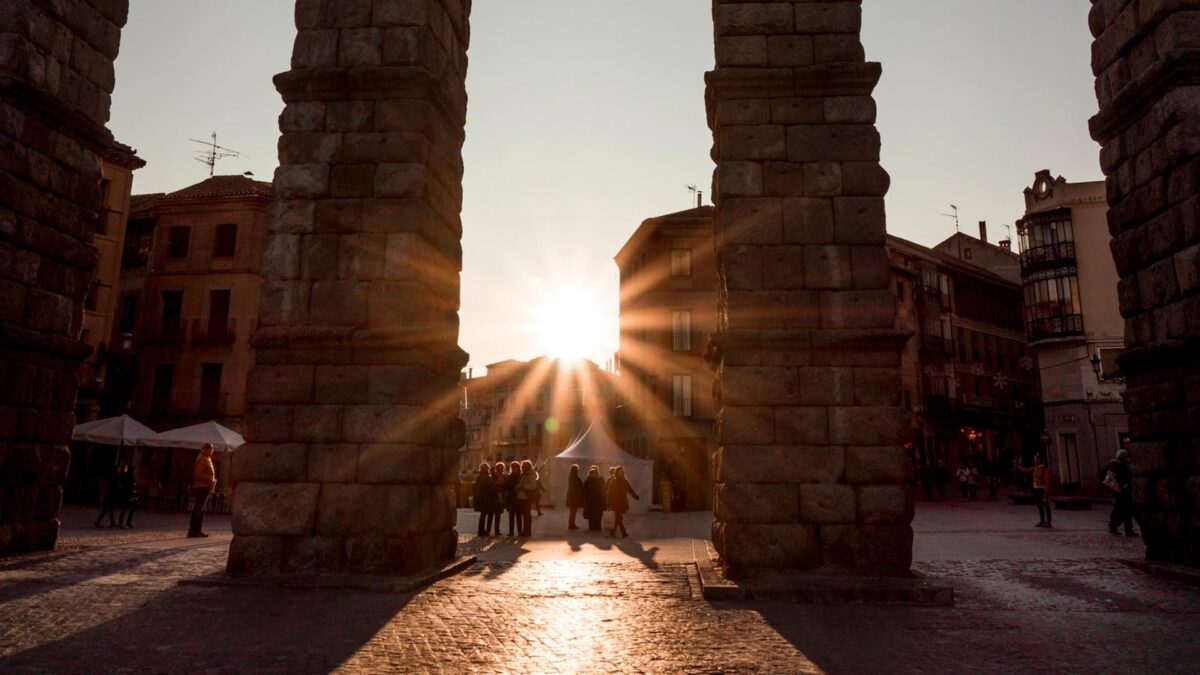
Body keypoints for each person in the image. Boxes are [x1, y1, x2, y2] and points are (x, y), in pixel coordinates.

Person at [188, 443, 217, 538]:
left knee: (201, 509)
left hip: (206, 487)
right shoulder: (202, 459)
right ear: (206, 449)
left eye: (212, 449)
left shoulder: (206, 459)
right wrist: (210, 479)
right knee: (198, 509)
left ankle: (198, 530)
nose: (212, 451)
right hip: (202, 487)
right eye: (211, 449)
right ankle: (192, 531)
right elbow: (198, 473)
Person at [1016, 453, 1052, 528]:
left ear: (1040, 460)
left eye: (1037, 459)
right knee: (1039, 506)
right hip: (1036, 489)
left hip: (1042, 489)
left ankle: (1048, 522)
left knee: (1046, 505)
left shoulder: (1044, 468)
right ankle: (1042, 521)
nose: (1036, 461)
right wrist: (1018, 467)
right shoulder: (1035, 467)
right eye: (1035, 459)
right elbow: (1026, 470)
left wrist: (1046, 491)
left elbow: (1047, 481)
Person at [1107, 449, 1138, 536]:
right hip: (1121, 492)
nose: (1128, 459)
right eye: (1127, 457)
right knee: (1121, 511)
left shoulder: (1121, 466)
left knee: (1126, 511)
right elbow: (1121, 479)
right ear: (1123, 458)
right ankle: (1114, 527)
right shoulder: (1119, 467)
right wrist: (1123, 486)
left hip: (1123, 492)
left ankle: (1127, 529)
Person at [606, 466, 640, 537]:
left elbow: (630, 490)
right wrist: (608, 503)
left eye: (622, 472)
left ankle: (613, 532)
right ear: (617, 473)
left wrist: (635, 496)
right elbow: (609, 493)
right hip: (615, 502)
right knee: (619, 517)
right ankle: (623, 532)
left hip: (622, 502)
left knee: (618, 518)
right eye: (619, 472)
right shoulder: (613, 481)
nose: (621, 473)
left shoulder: (624, 482)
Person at [472, 462, 499, 536]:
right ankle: (487, 531)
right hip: (488, 500)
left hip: (481, 499)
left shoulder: (479, 477)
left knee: (483, 515)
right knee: (490, 515)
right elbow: (492, 489)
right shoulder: (487, 478)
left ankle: (481, 531)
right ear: (487, 469)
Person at [94, 463, 121, 528]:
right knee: (108, 508)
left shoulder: (113, 477)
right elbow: (112, 486)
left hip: (111, 493)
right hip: (111, 493)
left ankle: (110, 522)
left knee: (109, 509)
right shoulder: (113, 477)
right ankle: (100, 521)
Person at [517, 460, 538, 537]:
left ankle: (527, 531)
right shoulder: (524, 474)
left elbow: (533, 486)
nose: (522, 468)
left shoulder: (531, 474)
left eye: (523, 466)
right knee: (525, 515)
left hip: (526, 497)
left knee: (527, 515)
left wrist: (523, 487)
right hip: (521, 497)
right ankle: (525, 531)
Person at [583, 465, 605, 531]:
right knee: (594, 515)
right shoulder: (588, 481)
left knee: (595, 514)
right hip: (593, 501)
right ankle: (595, 527)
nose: (593, 475)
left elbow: (602, 490)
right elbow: (585, 491)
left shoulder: (598, 481)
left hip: (595, 501)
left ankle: (594, 527)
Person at [117, 464, 138, 528]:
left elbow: (133, 487)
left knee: (132, 508)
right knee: (124, 508)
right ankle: (121, 522)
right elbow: (128, 487)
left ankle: (128, 521)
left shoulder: (131, 477)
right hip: (127, 495)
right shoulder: (128, 477)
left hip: (131, 495)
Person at [504, 460, 521, 536]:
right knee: (512, 516)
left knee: (518, 515)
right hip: (512, 498)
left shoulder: (520, 476)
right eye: (513, 467)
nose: (514, 468)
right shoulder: (510, 476)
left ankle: (520, 531)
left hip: (518, 498)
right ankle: (511, 532)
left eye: (515, 467)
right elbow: (507, 486)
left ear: (518, 467)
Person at [565, 464, 584, 529]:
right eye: (577, 469)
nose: (578, 471)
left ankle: (572, 524)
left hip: (572, 496)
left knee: (573, 511)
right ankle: (571, 524)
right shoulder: (573, 477)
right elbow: (575, 487)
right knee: (573, 511)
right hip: (574, 497)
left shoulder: (572, 476)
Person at [491, 462, 506, 535]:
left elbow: (505, 486)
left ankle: (497, 530)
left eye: (501, 469)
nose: (500, 470)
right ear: (496, 469)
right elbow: (492, 485)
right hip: (494, 496)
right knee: (492, 514)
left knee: (498, 515)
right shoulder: (493, 476)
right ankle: (488, 530)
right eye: (499, 468)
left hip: (501, 497)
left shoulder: (503, 476)